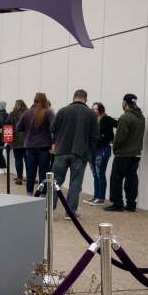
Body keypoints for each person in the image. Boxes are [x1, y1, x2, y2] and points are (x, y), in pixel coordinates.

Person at [50, 89, 99, 217]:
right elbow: (94, 137)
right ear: (86, 99)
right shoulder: (91, 114)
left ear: (73, 97)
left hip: (61, 151)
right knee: (75, 183)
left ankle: (49, 209)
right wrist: (90, 154)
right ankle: (70, 212)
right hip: (80, 153)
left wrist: (56, 142)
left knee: (56, 181)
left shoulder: (62, 111)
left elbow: (52, 129)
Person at [106, 93, 145, 212]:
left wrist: (115, 148)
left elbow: (120, 137)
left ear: (125, 103)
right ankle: (131, 204)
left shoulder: (125, 117)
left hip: (123, 154)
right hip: (136, 154)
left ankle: (117, 203)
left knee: (116, 178)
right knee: (132, 178)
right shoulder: (141, 117)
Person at [15, 92, 54, 194]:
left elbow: (18, 127)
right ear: (45, 100)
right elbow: (54, 127)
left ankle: (29, 195)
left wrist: (28, 130)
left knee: (30, 173)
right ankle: (42, 197)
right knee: (43, 174)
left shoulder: (27, 113)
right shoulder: (48, 112)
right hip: (44, 147)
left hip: (30, 147)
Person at [85, 102, 116, 205]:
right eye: (92, 109)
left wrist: (109, 139)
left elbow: (118, 124)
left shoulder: (106, 119)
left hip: (102, 150)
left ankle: (101, 198)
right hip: (93, 151)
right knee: (95, 174)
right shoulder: (92, 120)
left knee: (100, 173)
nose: (93, 111)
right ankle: (96, 196)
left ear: (101, 110)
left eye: (96, 109)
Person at [6, 99, 27, 185]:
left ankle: (19, 178)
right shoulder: (28, 113)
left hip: (16, 141)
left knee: (18, 159)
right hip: (27, 140)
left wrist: (8, 141)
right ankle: (30, 177)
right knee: (27, 160)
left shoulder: (12, 114)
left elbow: (7, 126)